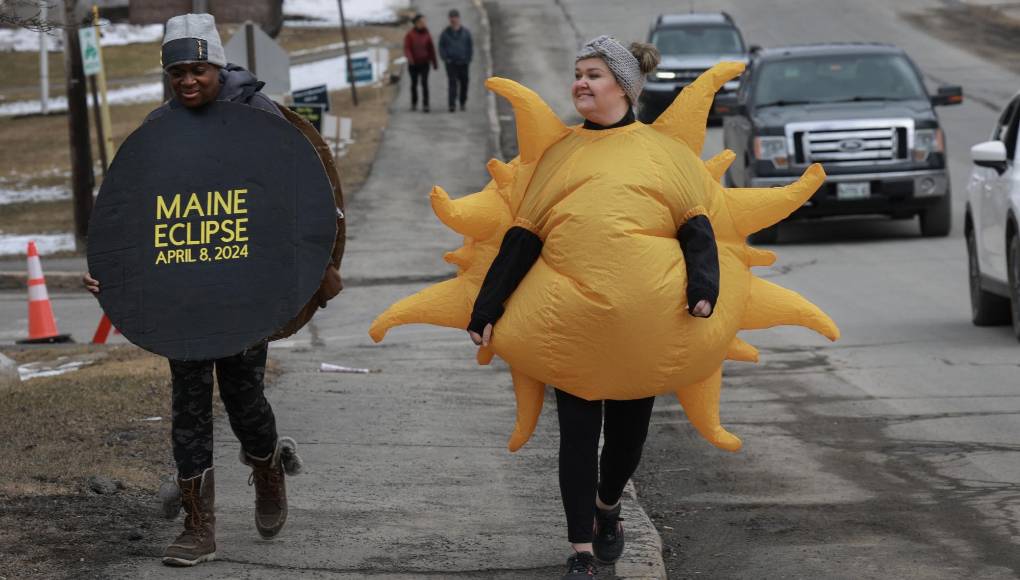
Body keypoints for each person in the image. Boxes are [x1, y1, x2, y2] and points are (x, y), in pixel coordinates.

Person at [82, 13, 343, 567]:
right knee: (189, 404)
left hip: (248, 285)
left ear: (217, 66)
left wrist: (319, 267)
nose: (187, 82)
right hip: (183, 294)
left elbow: (303, 194)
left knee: (245, 400)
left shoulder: (261, 117)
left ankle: (267, 470)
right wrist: (112, 271)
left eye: (197, 69)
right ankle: (199, 528)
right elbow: (135, 211)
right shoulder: (161, 128)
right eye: (176, 72)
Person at [466, 36, 719, 580]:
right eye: (577, 72)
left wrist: (704, 290)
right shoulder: (561, 156)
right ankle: (581, 548)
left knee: (627, 442)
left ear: (624, 87)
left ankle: (608, 506)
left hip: (641, 334)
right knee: (578, 439)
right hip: (572, 328)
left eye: (594, 74)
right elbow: (523, 238)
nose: (580, 82)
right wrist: (486, 307)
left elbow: (697, 231)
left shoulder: (663, 155)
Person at [438, 8, 473, 112]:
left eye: (455, 17)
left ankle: (462, 102)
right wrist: (445, 58)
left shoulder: (466, 33)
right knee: (452, 83)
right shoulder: (445, 33)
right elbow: (441, 47)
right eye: (451, 17)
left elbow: (470, 46)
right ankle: (451, 104)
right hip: (451, 63)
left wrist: (468, 58)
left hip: (463, 62)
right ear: (449, 19)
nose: (453, 20)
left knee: (464, 83)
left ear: (458, 18)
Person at [403, 13, 438, 112]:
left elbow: (431, 49)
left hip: (424, 63)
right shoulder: (410, 35)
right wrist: (410, 59)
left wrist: (434, 62)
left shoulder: (427, 34)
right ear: (416, 23)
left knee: (424, 83)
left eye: (424, 22)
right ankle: (414, 103)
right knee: (414, 84)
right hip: (413, 64)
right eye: (422, 22)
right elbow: (407, 48)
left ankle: (426, 104)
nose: (424, 24)